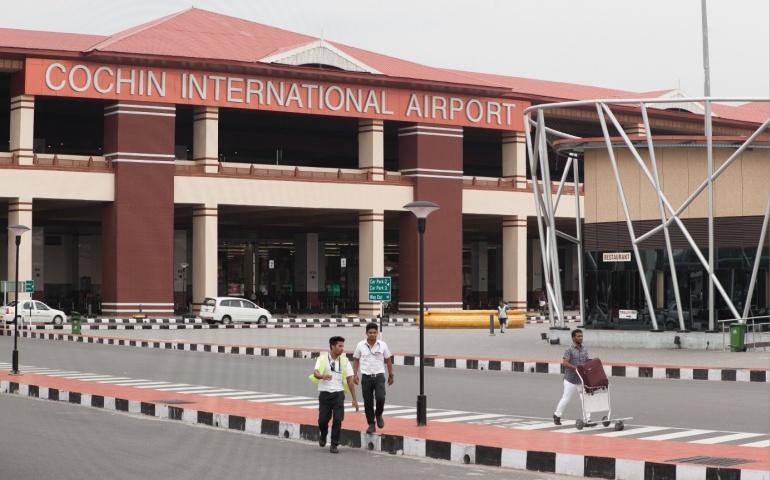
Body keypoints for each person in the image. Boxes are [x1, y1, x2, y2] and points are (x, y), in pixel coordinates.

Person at [310, 336, 359, 453]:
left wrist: (354, 399)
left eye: (343, 346)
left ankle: (334, 444)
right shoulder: (322, 359)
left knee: (338, 419)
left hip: (338, 394)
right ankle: (323, 434)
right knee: (322, 420)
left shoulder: (345, 361)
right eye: (340, 346)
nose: (342, 349)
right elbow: (316, 373)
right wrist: (322, 376)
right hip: (325, 394)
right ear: (332, 346)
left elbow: (350, 380)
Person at [353, 322, 394, 434]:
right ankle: (371, 424)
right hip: (366, 377)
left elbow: (388, 359)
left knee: (381, 397)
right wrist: (355, 374)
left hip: (379, 376)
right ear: (366, 333)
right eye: (370, 332)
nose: (372, 334)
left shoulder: (383, 345)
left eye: (374, 332)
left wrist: (391, 375)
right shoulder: (360, 345)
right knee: (368, 402)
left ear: (377, 333)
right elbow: (356, 359)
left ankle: (379, 414)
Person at [553, 328, 590, 425]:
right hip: (570, 379)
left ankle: (587, 419)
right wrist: (575, 368)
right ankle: (557, 415)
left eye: (581, 336)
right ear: (573, 338)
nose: (581, 338)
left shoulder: (584, 349)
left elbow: (586, 361)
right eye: (578, 336)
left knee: (585, 399)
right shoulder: (569, 349)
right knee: (566, 399)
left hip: (581, 379)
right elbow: (565, 363)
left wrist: (592, 363)